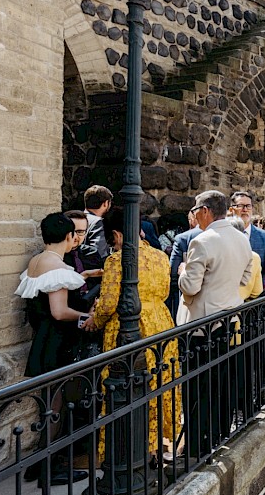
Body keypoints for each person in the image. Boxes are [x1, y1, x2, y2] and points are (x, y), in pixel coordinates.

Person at [92, 208, 180, 463]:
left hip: (130, 326)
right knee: (158, 382)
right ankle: (155, 446)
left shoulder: (116, 260)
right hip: (160, 322)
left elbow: (108, 303)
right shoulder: (159, 257)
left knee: (125, 386)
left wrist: (94, 322)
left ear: (117, 234)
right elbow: (164, 290)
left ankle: (128, 452)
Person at [15, 212, 93, 486]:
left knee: (49, 405)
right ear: (69, 236)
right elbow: (59, 312)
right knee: (56, 406)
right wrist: (85, 317)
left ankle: (39, 464)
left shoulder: (37, 261)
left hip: (43, 340)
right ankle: (48, 468)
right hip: (58, 343)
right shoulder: (58, 268)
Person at [178, 190, 253, 457]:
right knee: (220, 382)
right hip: (228, 319)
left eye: (196, 209)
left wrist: (182, 271)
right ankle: (219, 435)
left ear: (206, 210)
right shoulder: (242, 239)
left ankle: (196, 445)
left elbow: (190, 285)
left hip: (201, 323)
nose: (194, 214)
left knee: (197, 388)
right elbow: (245, 278)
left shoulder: (202, 241)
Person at [231, 191, 265, 289]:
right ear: (232, 209)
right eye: (240, 206)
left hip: (255, 297)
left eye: (248, 206)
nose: (245, 210)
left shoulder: (264, 237)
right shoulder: (224, 234)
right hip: (229, 296)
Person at [168, 211, 201, 320]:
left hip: (188, 302)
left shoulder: (183, 238)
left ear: (193, 220)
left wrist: (183, 271)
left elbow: (173, 271)